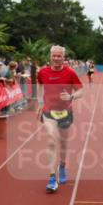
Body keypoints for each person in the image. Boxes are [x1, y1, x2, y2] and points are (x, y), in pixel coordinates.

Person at [37, 45, 84, 193]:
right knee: (51, 139)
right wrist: (39, 103)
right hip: (48, 111)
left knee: (63, 142)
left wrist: (71, 96)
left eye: (59, 56)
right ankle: (52, 177)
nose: (56, 58)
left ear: (63, 57)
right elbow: (39, 86)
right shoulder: (43, 72)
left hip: (65, 112)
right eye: (54, 55)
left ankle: (62, 166)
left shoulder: (70, 72)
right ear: (50, 56)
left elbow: (81, 91)